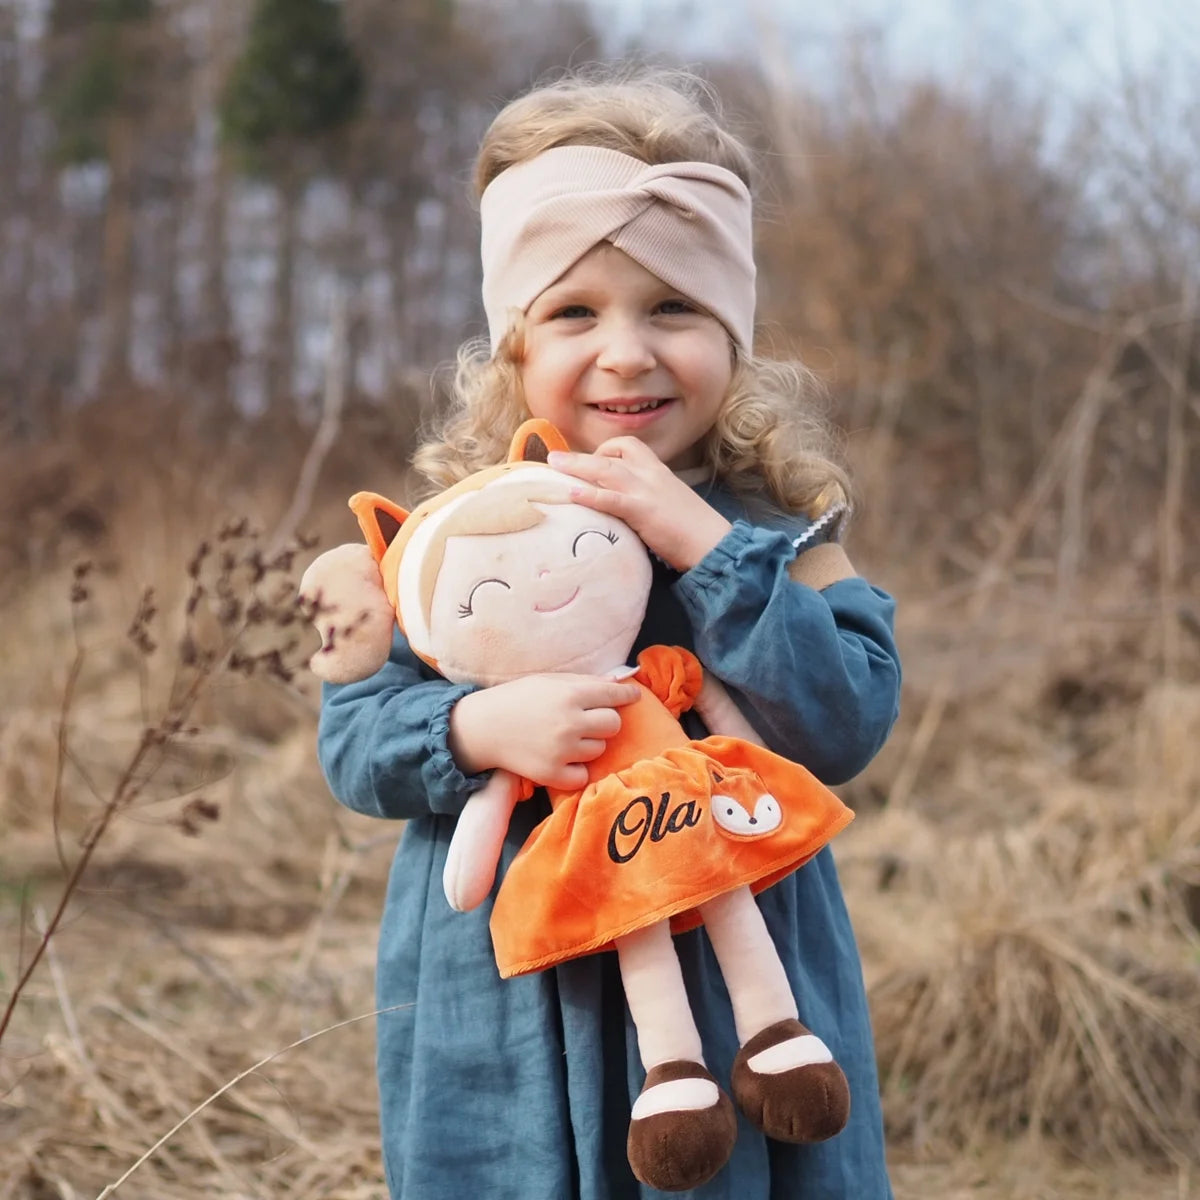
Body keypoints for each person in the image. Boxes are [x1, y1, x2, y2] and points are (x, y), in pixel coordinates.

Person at [316, 66, 902, 1200]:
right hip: (511, 994)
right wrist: (477, 725)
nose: (627, 352)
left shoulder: (788, 532)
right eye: (576, 312)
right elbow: (353, 742)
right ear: (514, 345)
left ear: (732, 335)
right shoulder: (436, 548)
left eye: (673, 307)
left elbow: (844, 720)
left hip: (742, 975)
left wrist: (712, 552)